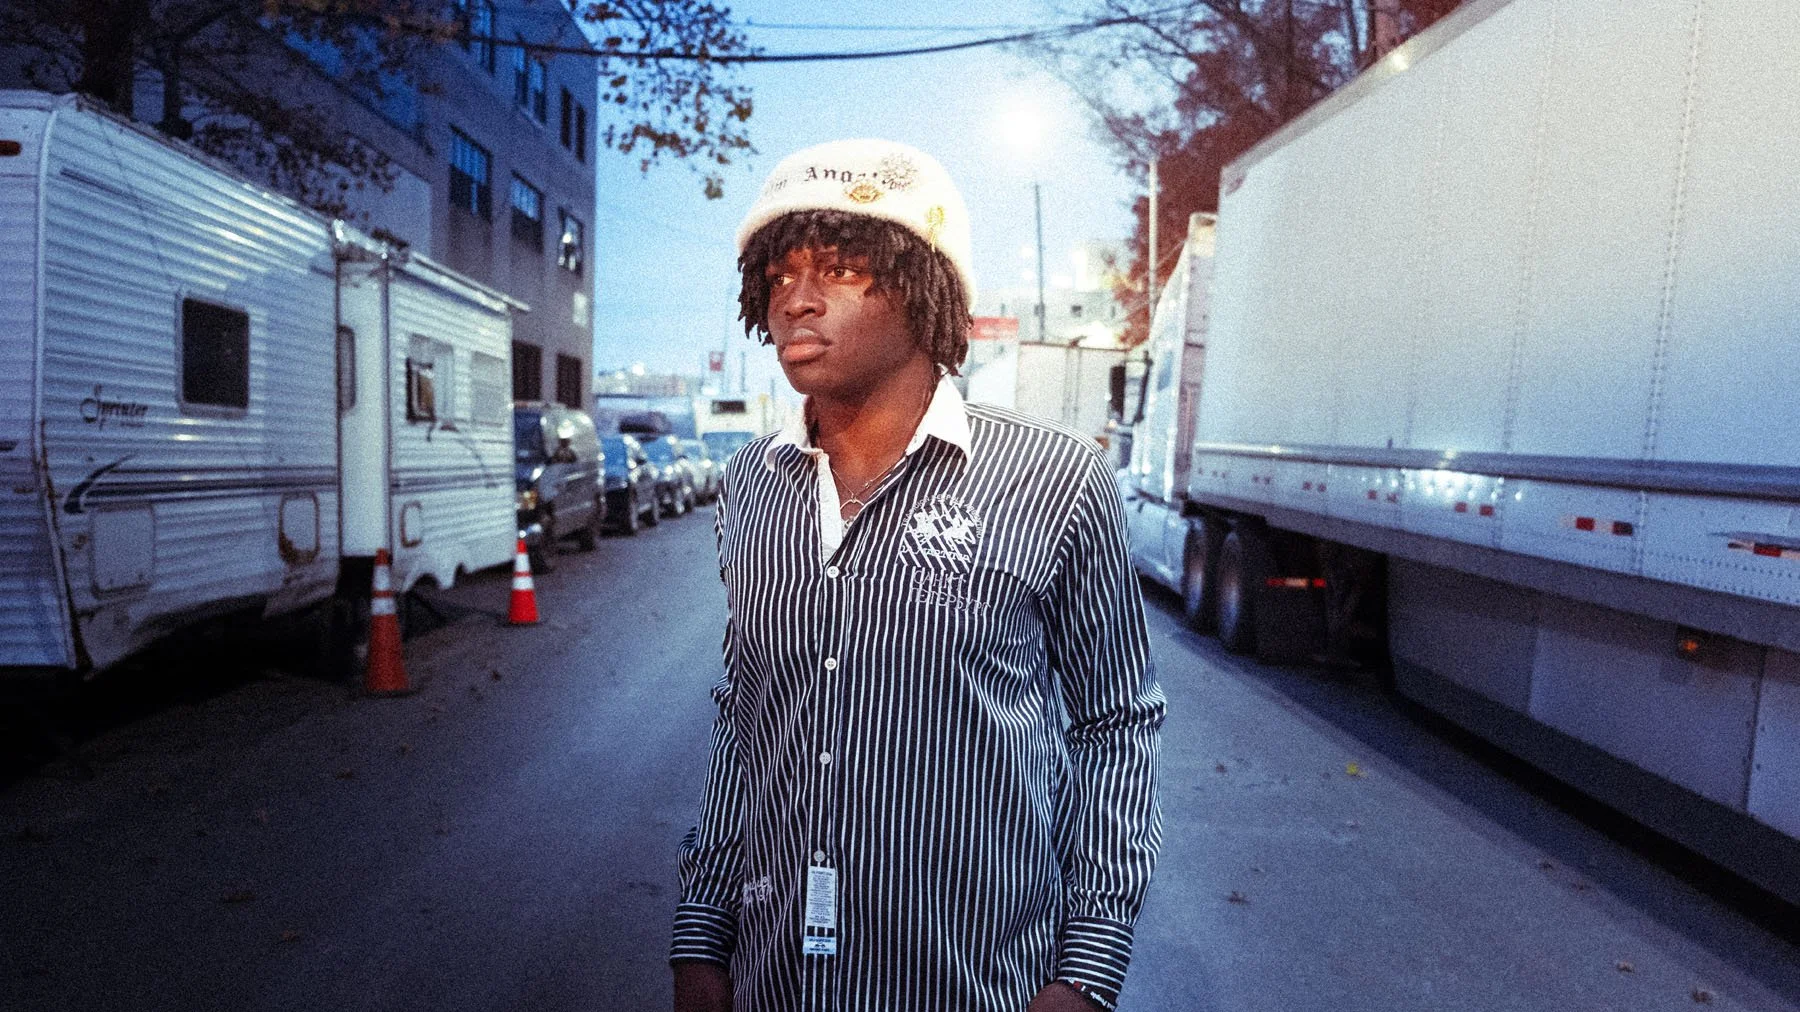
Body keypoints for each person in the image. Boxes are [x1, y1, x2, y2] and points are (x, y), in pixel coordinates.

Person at [671, 139, 1164, 1012]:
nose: (798, 300)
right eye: (779, 276)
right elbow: (745, 712)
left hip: (976, 983)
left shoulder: (1055, 479)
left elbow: (1117, 719)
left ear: (924, 284)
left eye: (841, 268)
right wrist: (702, 931)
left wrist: (1087, 966)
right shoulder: (751, 484)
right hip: (776, 979)